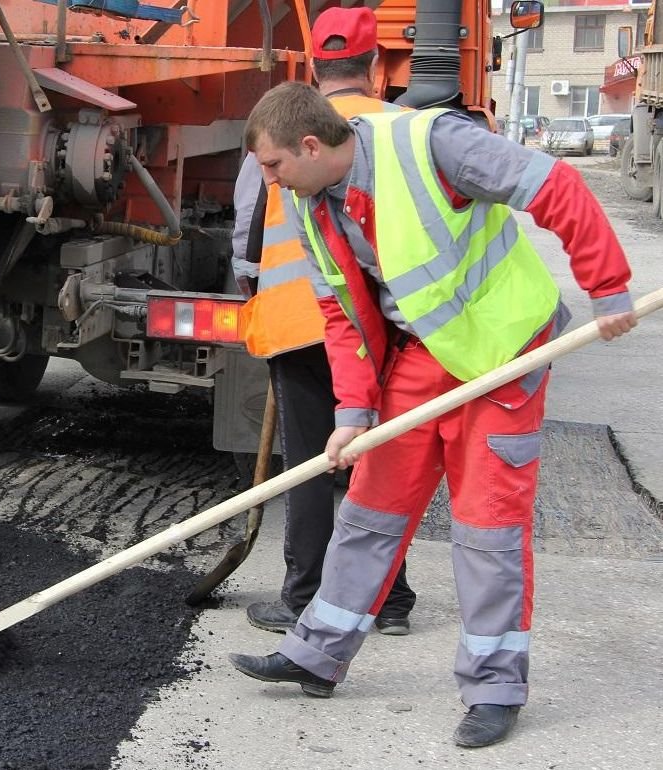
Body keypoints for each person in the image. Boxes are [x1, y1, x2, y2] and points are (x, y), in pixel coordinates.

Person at [227, 81, 637, 748]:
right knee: (369, 509)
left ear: (308, 145)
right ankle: (318, 653)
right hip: (420, 360)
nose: (268, 181)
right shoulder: (309, 204)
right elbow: (341, 313)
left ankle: (494, 687)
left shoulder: (429, 144)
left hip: (501, 356)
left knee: (486, 530)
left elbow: (553, 186)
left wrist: (608, 287)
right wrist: (353, 409)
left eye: (271, 166)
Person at [232, 6, 415, 637]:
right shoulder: (398, 129)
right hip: (379, 328)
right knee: (379, 460)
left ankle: (303, 592)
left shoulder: (278, 133)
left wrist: (249, 287)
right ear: (375, 65)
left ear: (314, 67)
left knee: (307, 461)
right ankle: (388, 599)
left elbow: (246, 234)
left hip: (295, 319)